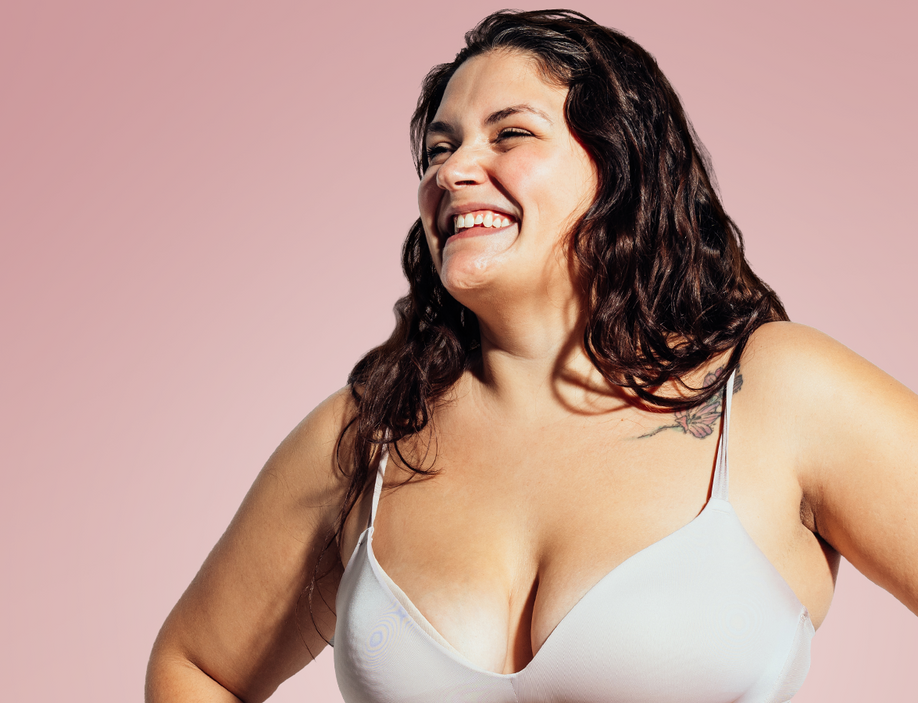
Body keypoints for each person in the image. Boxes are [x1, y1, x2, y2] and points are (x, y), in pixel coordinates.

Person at [145, 8, 918, 703]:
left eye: (509, 133)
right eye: (439, 148)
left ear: (620, 167)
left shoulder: (779, 393)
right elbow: (196, 665)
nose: (450, 171)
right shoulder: (366, 438)